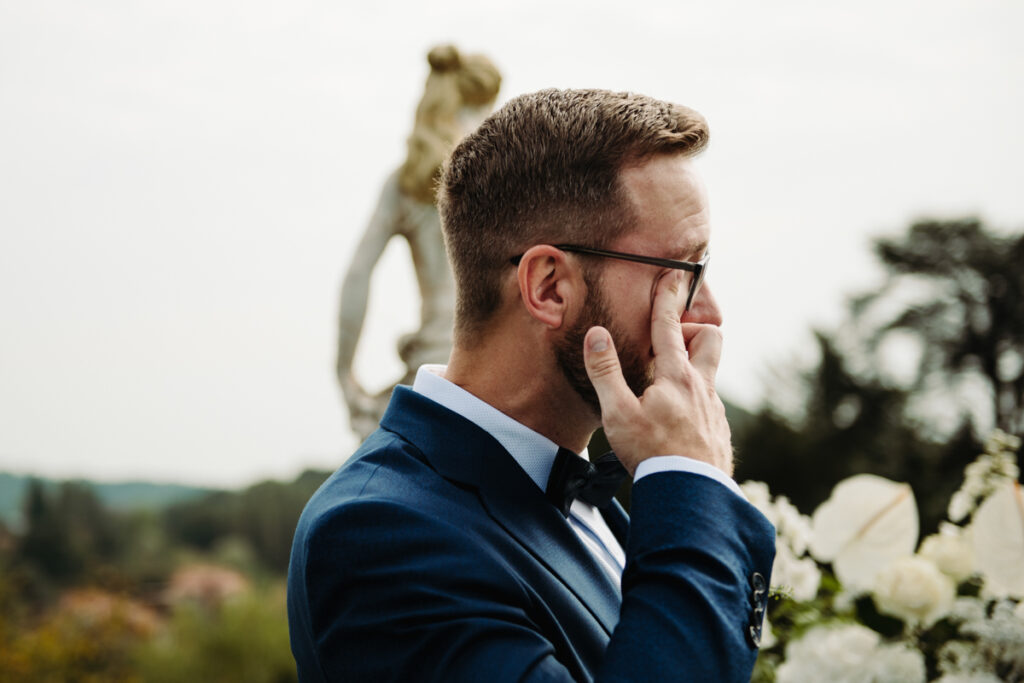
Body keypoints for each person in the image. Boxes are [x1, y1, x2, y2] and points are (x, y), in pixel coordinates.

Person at [289, 88, 776, 682]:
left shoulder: (592, 505)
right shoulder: (380, 537)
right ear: (549, 288)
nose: (710, 315)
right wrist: (691, 482)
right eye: (680, 274)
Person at [336, 45, 501, 439]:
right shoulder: (503, 178)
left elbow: (358, 275)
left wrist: (344, 373)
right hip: (499, 366)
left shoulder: (406, 180)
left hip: (433, 365)